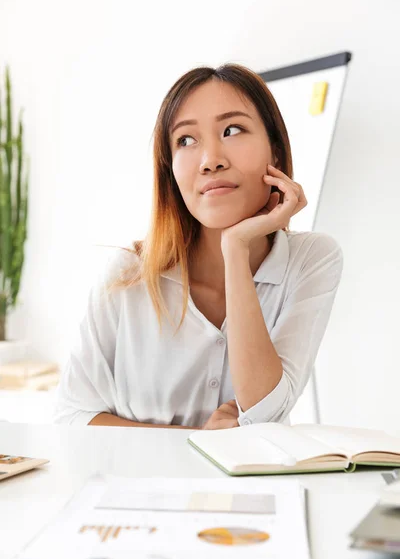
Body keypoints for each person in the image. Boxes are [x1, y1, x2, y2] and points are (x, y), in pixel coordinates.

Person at [54, 63, 343, 430]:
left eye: (232, 129)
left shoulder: (311, 260)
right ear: (170, 170)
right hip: (134, 488)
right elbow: (72, 419)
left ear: (275, 149)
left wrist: (236, 249)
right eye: (186, 140)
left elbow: (265, 412)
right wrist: (196, 442)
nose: (211, 161)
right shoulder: (128, 274)